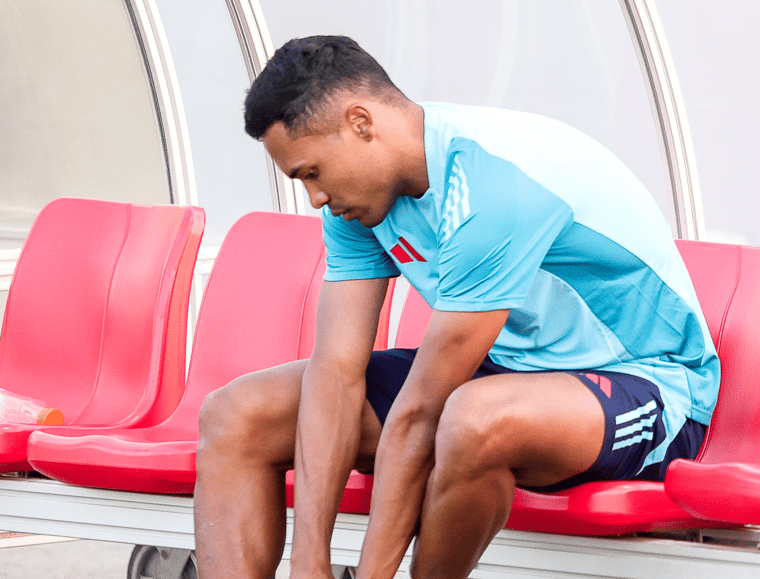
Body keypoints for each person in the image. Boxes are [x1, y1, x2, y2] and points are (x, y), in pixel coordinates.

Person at [193, 35, 720, 579]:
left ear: (361, 123)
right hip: (503, 374)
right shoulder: (356, 203)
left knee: (472, 421)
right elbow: (335, 373)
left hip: (646, 385)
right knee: (237, 415)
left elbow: (422, 411)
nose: (315, 199)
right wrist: (311, 562)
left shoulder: (493, 186)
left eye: (312, 173)